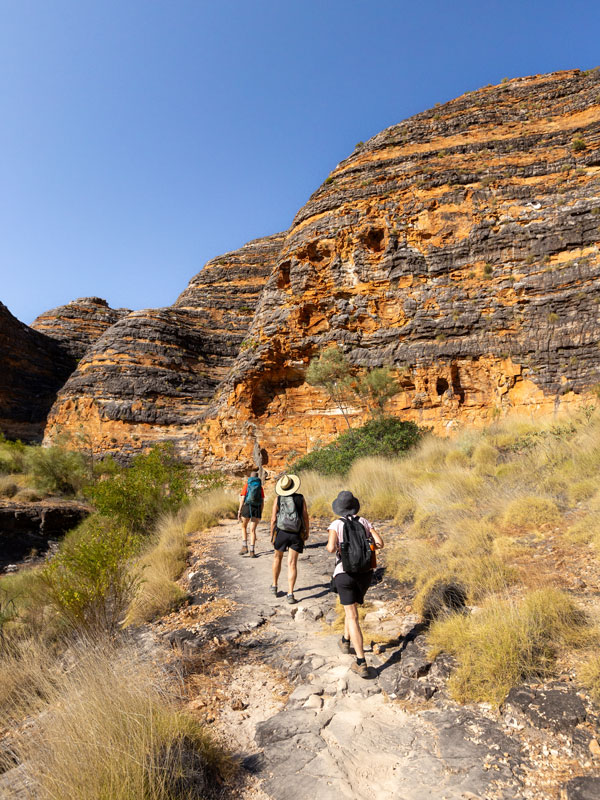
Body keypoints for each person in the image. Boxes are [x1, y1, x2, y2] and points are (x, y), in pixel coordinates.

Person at [327, 490, 384, 678]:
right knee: (350, 608)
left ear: (339, 508)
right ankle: (345, 640)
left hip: (344, 573)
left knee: (352, 616)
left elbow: (330, 548)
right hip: (364, 574)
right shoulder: (364, 522)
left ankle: (360, 661)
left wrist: (339, 547)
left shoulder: (336, 524)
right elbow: (379, 543)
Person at [270, 473, 309, 604]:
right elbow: (305, 516)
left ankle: (274, 586)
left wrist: (272, 535)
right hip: (296, 533)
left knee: (277, 557)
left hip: (281, 532)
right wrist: (306, 531)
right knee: (292, 563)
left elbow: (273, 519)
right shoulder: (300, 498)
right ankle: (290, 594)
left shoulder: (278, 498)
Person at [238, 470, 264, 557]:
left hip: (247, 507)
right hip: (256, 509)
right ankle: (252, 551)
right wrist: (260, 512)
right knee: (252, 530)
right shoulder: (260, 488)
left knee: (243, 527)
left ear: (250, 478)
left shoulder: (247, 485)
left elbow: (242, 499)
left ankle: (245, 547)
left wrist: (239, 511)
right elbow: (262, 502)